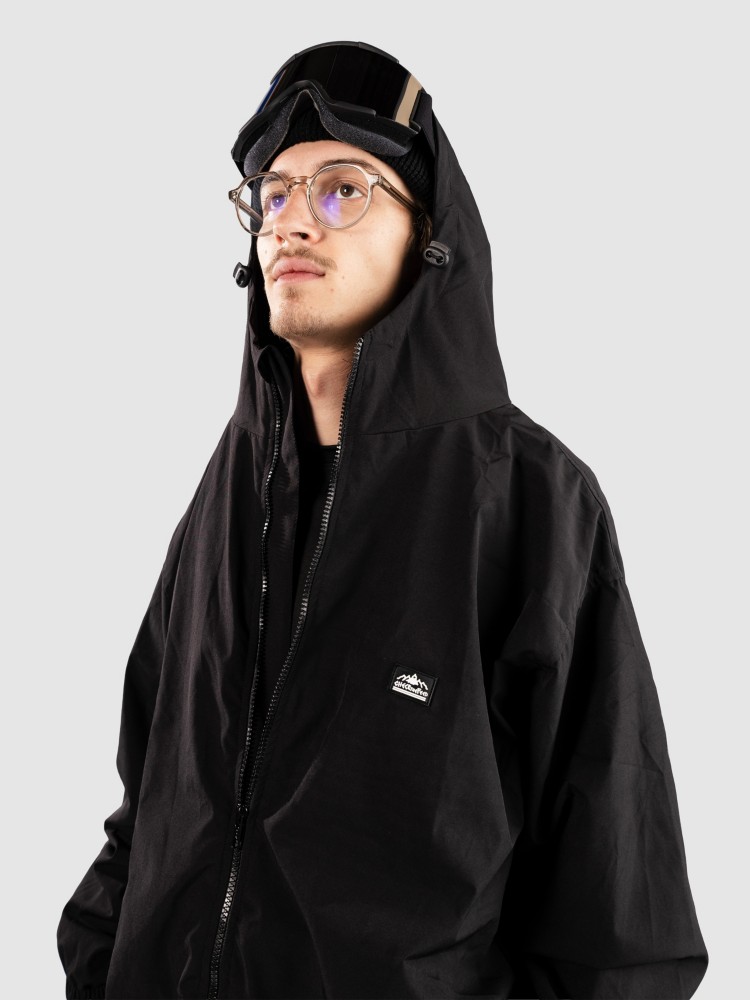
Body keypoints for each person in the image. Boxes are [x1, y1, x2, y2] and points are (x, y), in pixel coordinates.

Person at [57, 40, 708, 1000]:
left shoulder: (531, 502)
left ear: (428, 236)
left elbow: (620, 919)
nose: (291, 221)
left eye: (342, 191)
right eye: (273, 194)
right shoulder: (223, 494)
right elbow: (147, 803)